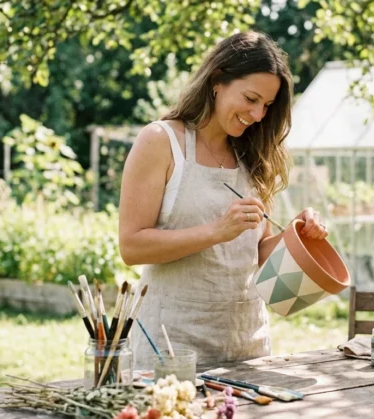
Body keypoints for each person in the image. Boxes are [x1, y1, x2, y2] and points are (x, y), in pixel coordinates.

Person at [119, 31, 328, 371]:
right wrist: (216, 230)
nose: (258, 114)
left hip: (247, 345)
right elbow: (132, 247)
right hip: (171, 347)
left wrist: (295, 235)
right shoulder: (161, 141)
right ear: (218, 80)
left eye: (267, 105)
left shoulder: (252, 154)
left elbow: (252, 252)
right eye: (250, 98)